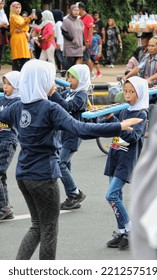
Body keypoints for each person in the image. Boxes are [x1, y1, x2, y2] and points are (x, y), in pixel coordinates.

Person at [0, 59, 141, 259]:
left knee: (37, 227)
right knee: (48, 230)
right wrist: (119, 126)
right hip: (43, 176)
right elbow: (81, 129)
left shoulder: (17, 107)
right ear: (41, 81)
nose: (54, 83)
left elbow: (2, 115)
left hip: (23, 175)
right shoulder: (49, 108)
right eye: (50, 78)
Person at [130, 0, 157, 260]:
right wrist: (131, 75)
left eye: (154, 44)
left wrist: (146, 80)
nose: (151, 46)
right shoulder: (146, 56)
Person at [103, 76, 149, 250]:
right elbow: (110, 128)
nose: (127, 95)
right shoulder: (123, 111)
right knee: (116, 198)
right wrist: (107, 118)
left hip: (126, 161)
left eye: (132, 92)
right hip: (114, 157)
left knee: (111, 195)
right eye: (126, 91)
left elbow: (132, 137)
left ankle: (131, 230)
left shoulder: (141, 115)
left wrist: (117, 123)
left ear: (140, 93)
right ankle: (122, 231)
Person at [49, 64, 89, 210]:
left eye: (73, 77)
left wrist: (54, 93)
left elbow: (67, 107)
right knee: (66, 165)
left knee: (60, 163)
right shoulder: (68, 92)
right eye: (69, 76)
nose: (69, 80)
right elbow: (56, 103)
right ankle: (72, 197)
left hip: (73, 134)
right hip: (62, 133)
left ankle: (74, 193)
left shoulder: (81, 95)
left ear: (82, 79)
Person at [123, 36, 157, 105]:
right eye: (149, 46)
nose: (150, 48)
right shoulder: (147, 56)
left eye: (153, 46)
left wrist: (149, 79)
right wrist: (126, 77)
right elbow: (138, 68)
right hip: (150, 87)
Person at [0, 70, 20, 221]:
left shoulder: (18, 102)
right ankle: (5, 206)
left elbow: (9, 117)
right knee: (2, 175)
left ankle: (3, 208)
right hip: (1, 139)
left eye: (8, 84)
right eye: (4, 83)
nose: (5, 87)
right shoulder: (3, 100)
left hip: (8, 140)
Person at [9, 1, 35, 71]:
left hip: (23, 39)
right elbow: (20, 25)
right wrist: (28, 19)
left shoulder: (20, 17)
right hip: (17, 40)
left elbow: (26, 27)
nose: (18, 9)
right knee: (18, 58)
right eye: (16, 7)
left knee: (25, 57)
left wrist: (21, 29)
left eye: (19, 7)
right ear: (13, 8)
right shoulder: (13, 17)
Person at [61, 4, 84, 70]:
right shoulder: (66, 21)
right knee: (70, 63)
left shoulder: (80, 21)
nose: (76, 12)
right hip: (70, 45)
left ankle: (73, 77)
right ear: (71, 11)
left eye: (77, 10)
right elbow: (64, 32)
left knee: (77, 63)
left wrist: (83, 44)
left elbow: (82, 34)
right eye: (74, 10)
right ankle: (67, 77)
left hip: (78, 45)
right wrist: (71, 39)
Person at [77, 2, 95, 79]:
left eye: (77, 9)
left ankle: (92, 72)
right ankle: (80, 73)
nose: (76, 11)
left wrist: (88, 41)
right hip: (81, 41)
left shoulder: (88, 17)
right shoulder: (80, 18)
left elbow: (91, 30)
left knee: (87, 58)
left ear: (81, 9)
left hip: (86, 42)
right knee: (81, 57)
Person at [0, 0, 9, 70]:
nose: (2, 5)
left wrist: (6, 25)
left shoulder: (3, 12)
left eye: (3, 3)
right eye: (0, 3)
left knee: (0, 53)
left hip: (2, 34)